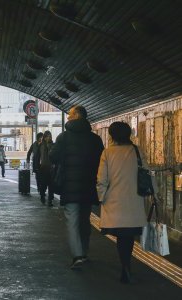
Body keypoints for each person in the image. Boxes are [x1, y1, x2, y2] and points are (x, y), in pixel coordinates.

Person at [96, 122, 157, 283]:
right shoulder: (136, 151)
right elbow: (147, 174)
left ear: (112, 135)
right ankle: (126, 266)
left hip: (114, 201)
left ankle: (125, 266)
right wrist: (155, 193)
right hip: (133, 200)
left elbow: (101, 179)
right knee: (128, 236)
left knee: (121, 236)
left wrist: (101, 197)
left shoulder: (107, 153)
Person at [50, 105, 104, 269]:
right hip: (88, 186)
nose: (67, 117)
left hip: (69, 186)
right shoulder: (95, 139)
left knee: (72, 221)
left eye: (70, 114)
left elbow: (53, 156)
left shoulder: (63, 137)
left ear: (77, 116)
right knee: (84, 220)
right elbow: (102, 161)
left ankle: (78, 255)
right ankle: (84, 251)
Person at [39, 131, 54, 206]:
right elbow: (38, 156)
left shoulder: (52, 145)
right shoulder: (41, 145)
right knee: (43, 184)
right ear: (44, 137)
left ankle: (50, 200)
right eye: (47, 136)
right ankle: (42, 196)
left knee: (51, 185)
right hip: (43, 168)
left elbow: (53, 154)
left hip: (51, 168)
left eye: (50, 136)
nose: (49, 137)